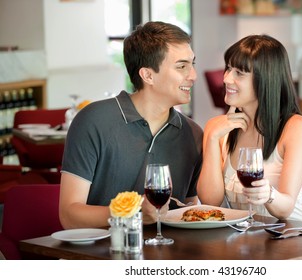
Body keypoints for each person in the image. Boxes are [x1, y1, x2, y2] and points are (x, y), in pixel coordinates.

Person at [59, 21, 203, 229]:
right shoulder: (92, 121)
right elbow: (69, 216)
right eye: (182, 67)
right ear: (147, 75)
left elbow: (188, 216)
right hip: (100, 255)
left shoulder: (193, 134)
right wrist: (132, 214)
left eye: (192, 64)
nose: (193, 76)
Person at [197, 34, 302, 222]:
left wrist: (268, 194)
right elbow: (211, 201)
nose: (226, 78)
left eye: (239, 73)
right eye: (228, 69)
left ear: (265, 80)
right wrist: (211, 137)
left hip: (293, 235)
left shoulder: (296, 128)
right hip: (246, 241)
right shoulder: (219, 128)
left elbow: (285, 209)